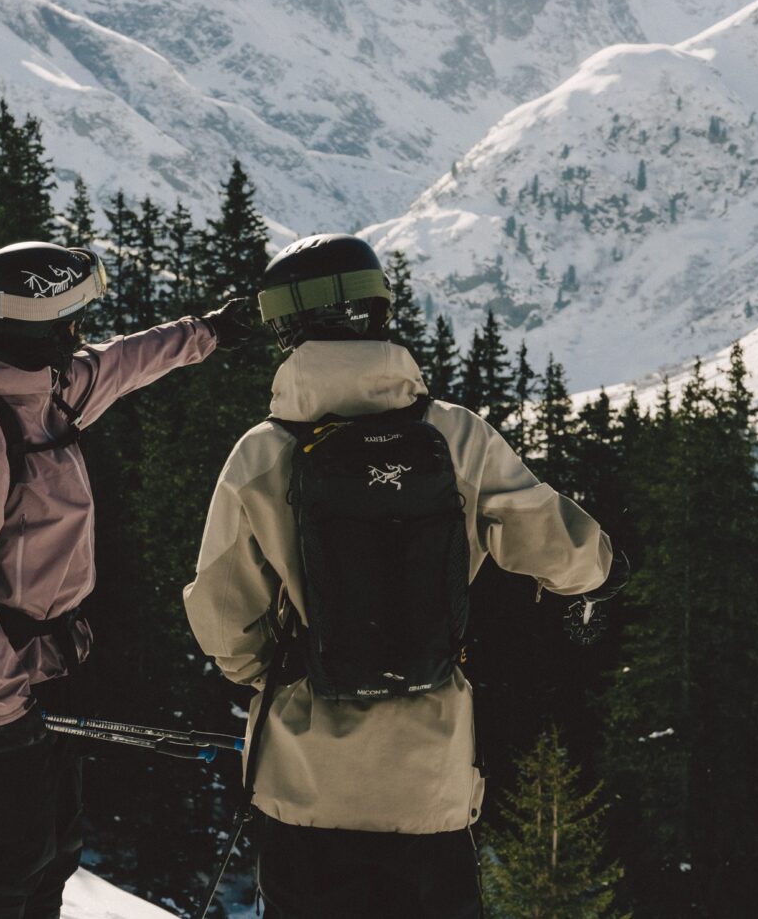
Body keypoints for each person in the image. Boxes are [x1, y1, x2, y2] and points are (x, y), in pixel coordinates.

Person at [183, 234, 619, 919]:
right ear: (378, 310)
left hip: (304, 788)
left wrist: (281, 674)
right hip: (428, 789)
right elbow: (555, 544)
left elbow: (223, 615)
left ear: (286, 329)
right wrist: (602, 572)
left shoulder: (262, 454)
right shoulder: (455, 436)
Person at [0, 239, 252, 919]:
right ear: (35, 328)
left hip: (53, 664)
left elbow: (125, 362)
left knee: (55, 846)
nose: (79, 336)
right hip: (0, 681)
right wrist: (6, 700)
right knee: (10, 854)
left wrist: (210, 331)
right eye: (68, 324)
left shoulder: (43, 390)